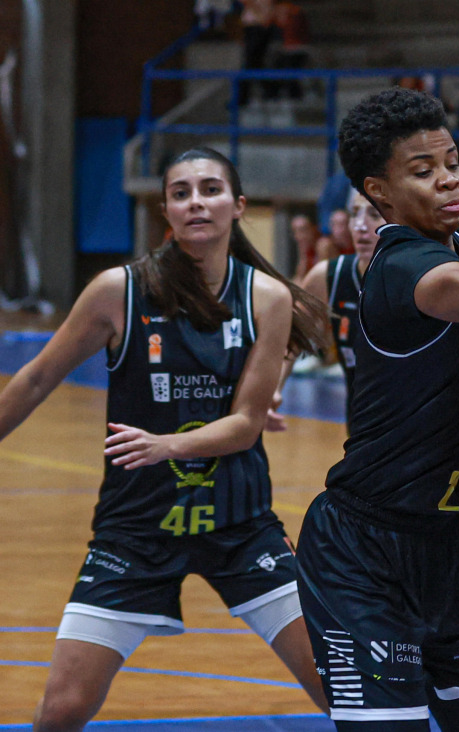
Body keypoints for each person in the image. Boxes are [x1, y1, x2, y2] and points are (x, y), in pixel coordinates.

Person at [0, 147, 330, 730]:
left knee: (337, 684)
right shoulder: (117, 291)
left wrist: (165, 446)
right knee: (63, 707)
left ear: (238, 206)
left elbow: (246, 423)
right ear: (167, 212)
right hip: (137, 528)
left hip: (239, 524)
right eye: (181, 193)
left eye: (210, 189)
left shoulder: (266, 298)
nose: (196, 201)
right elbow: (34, 379)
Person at [273, 186, 459, 718]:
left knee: (435, 566)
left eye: (370, 214)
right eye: (354, 215)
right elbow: (291, 331)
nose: (363, 225)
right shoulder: (334, 279)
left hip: (435, 479)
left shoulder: (438, 270)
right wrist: (273, 384)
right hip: (377, 472)